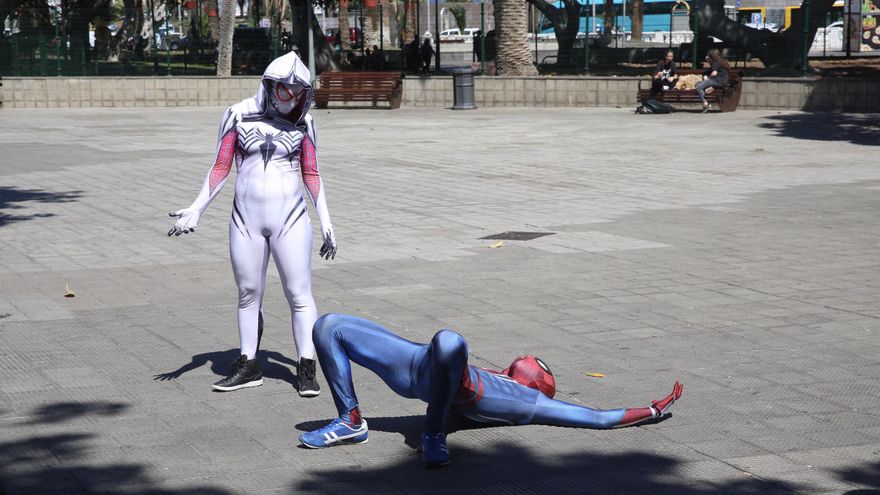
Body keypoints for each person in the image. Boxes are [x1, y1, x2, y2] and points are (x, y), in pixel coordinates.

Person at [298, 314, 684, 468]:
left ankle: (434, 434)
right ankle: (350, 419)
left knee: (450, 339)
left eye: (538, 366)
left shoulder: (527, 401)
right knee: (329, 326)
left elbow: (596, 418)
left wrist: (651, 409)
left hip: (442, 370)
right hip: (419, 362)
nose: (530, 357)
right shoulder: (503, 380)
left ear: (536, 384)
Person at [167, 52, 337, 396]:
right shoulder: (237, 115)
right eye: (284, 90)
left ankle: (306, 366)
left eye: (298, 91)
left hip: (291, 218)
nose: (291, 98)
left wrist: (327, 224)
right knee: (248, 294)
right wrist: (197, 208)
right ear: (270, 86)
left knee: (300, 294)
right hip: (245, 219)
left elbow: (312, 173)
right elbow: (220, 166)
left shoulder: (305, 124)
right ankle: (248, 364)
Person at [696, 49, 730, 113]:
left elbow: (714, 73)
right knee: (698, 83)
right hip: (722, 82)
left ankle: (705, 104)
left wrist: (708, 77)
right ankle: (711, 88)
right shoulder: (721, 61)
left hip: (717, 81)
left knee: (698, 87)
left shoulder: (716, 63)